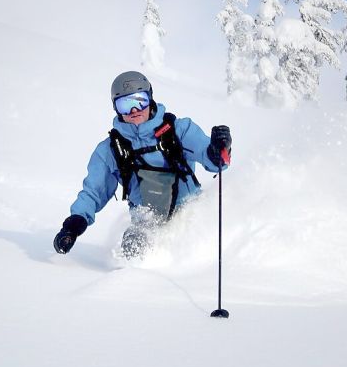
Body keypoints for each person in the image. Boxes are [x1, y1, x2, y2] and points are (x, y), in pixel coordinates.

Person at [53, 71, 231, 258]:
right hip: (147, 223)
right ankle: (138, 283)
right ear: (115, 108)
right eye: (125, 105)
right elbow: (93, 192)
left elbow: (214, 162)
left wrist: (218, 149)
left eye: (140, 101)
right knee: (133, 246)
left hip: (191, 213)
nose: (134, 110)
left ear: (150, 98)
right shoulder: (111, 150)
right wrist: (73, 226)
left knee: (201, 250)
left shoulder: (178, 130)